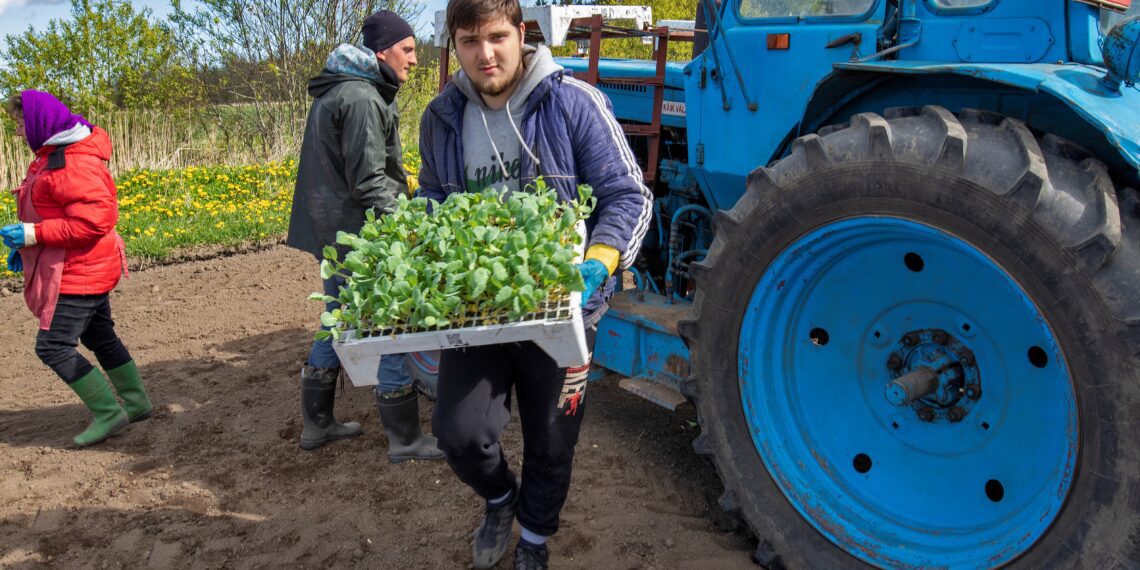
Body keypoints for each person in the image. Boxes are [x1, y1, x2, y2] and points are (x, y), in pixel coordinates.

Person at [418, 0, 653, 566]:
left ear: (520, 33)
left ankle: (535, 539)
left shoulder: (572, 102)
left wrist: (599, 261)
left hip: (562, 309)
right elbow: (430, 197)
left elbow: (629, 194)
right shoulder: (441, 116)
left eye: (496, 37)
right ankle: (501, 498)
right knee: (458, 432)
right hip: (478, 310)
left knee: (552, 439)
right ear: (455, 44)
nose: (485, 53)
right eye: (469, 41)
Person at [286, 10, 445, 464]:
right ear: (382, 51)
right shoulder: (360, 97)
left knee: (337, 319)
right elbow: (369, 182)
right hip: (356, 232)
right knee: (389, 324)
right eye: (408, 50)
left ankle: (317, 423)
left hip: (334, 228)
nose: (415, 60)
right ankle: (405, 437)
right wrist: (410, 226)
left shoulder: (347, 88)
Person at [1, 91, 152, 447]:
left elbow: (95, 221)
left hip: (80, 271)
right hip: (83, 266)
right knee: (99, 337)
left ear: (40, 122)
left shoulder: (73, 162)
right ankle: (136, 402)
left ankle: (108, 412)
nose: (19, 132)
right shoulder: (51, 155)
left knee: (52, 346)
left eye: (22, 124)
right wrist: (29, 245)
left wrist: (34, 233)